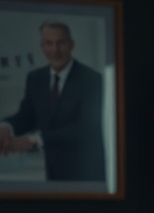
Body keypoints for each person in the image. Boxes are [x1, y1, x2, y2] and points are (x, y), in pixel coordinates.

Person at [0, 22, 106, 182]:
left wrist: (33, 141)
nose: (55, 50)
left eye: (61, 43)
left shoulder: (92, 79)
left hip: (87, 173)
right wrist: (5, 127)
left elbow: (86, 128)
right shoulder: (35, 78)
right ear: (42, 46)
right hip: (53, 174)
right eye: (49, 43)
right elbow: (27, 116)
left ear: (71, 45)